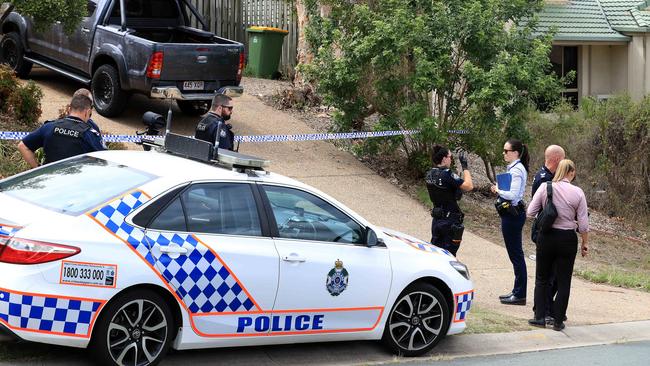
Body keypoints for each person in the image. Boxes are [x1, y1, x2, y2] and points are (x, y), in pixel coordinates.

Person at [526, 159, 589, 331]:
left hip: (546, 237)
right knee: (563, 281)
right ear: (572, 172)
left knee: (541, 278)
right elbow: (583, 223)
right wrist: (585, 242)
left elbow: (530, 212)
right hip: (567, 239)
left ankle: (539, 317)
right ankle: (558, 320)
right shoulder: (578, 192)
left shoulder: (545, 187)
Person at [17, 93, 105, 168]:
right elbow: (105, 160)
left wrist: (38, 169)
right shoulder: (88, 134)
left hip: (49, 180)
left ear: (69, 109)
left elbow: (23, 146)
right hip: (76, 184)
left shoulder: (49, 127)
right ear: (87, 112)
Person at [490, 138, 529, 305]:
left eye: (506, 151)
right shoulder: (514, 168)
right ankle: (516, 290)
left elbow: (512, 195)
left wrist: (497, 189)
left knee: (516, 255)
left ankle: (520, 293)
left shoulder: (517, 170)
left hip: (513, 214)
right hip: (511, 214)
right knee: (515, 255)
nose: (503, 153)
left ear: (515, 153)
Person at [531, 144, 566, 323]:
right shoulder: (543, 179)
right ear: (556, 160)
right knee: (546, 276)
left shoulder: (552, 178)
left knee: (553, 276)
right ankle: (542, 309)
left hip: (552, 231)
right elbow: (537, 208)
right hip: (545, 230)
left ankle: (548, 307)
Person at [425, 145, 474, 256]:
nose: (451, 160)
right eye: (450, 157)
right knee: (449, 256)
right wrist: (465, 167)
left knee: (435, 253)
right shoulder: (447, 174)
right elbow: (469, 186)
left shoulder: (429, 174)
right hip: (450, 221)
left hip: (437, 220)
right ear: (444, 158)